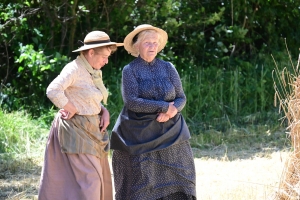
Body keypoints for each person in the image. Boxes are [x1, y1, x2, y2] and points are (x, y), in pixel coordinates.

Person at [110, 24, 197, 200]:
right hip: (140, 133)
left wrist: (172, 112)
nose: (152, 46)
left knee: (181, 177)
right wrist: (164, 107)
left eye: (155, 43)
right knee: (144, 182)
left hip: (171, 130)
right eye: (148, 43)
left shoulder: (168, 67)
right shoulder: (130, 70)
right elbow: (132, 101)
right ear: (137, 46)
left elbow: (181, 97)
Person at [38, 31, 123, 200]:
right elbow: (53, 90)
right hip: (75, 128)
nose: (106, 61)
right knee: (90, 181)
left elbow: (86, 96)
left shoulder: (93, 70)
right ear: (91, 52)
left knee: (95, 179)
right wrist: (71, 108)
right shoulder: (74, 69)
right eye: (104, 56)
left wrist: (102, 110)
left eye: (108, 56)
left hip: (92, 128)